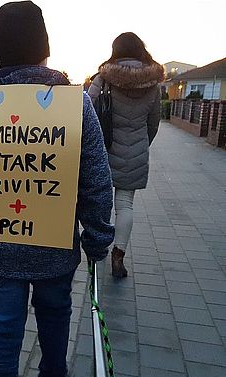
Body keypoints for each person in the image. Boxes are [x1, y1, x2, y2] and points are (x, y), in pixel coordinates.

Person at [0, 2, 115, 377]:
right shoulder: (73, 105)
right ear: (46, 46)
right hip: (55, 247)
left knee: (2, 330)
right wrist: (97, 236)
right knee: (55, 317)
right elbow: (95, 178)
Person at [88, 32, 163, 278]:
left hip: (102, 149)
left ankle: (96, 248)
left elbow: (87, 108)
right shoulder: (153, 83)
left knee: (100, 202)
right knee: (125, 205)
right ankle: (118, 256)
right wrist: (142, 144)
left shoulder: (104, 77)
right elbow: (154, 123)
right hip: (137, 148)